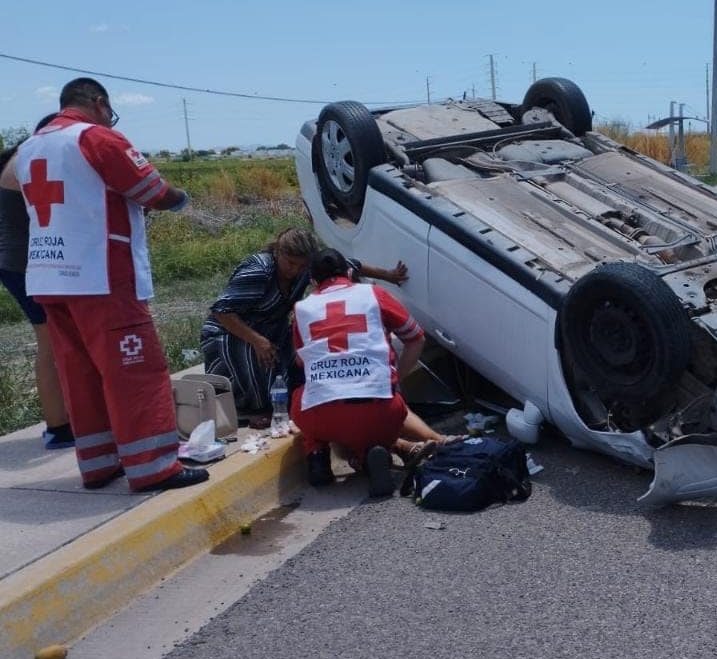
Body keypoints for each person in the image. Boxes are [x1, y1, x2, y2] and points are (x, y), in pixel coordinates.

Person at [0, 78, 207, 491]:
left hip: (49, 278)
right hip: (100, 275)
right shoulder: (96, 138)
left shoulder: (30, 147)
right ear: (98, 103)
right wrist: (182, 198)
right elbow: (154, 192)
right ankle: (153, 467)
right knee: (135, 370)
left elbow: (14, 182)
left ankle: (98, 463)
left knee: (81, 374)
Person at [201, 230, 412, 427]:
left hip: (273, 330)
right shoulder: (259, 270)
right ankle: (248, 406)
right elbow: (223, 312)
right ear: (277, 253)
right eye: (290, 263)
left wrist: (389, 275)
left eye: (301, 266)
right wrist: (257, 341)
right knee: (261, 395)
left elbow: (350, 265)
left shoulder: (308, 268)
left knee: (293, 377)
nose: (295, 271)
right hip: (231, 332)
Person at [289, 248, 455, 495]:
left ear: (313, 281)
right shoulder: (374, 294)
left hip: (323, 416)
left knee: (301, 399)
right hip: (383, 412)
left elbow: (304, 364)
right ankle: (378, 453)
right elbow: (416, 338)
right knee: (373, 413)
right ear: (349, 271)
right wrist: (395, 377)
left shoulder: (302, 309)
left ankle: (317, 456)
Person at [1, 115, 73, 449]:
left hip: (20, 263)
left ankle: (65, 419)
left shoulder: (18, 157)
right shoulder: (28, 159)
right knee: (49, 343)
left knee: (56, 340)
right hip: (25, 265)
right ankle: (59, 427)